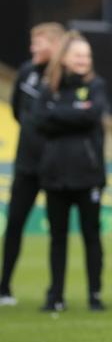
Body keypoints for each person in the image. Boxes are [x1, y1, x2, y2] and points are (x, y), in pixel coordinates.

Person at [35, 31, 108, 312]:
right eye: (78, 55)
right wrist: (75, 113)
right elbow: (39, 120)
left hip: (88, 175)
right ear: (64, 57)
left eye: (87, 56)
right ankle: (55, 296)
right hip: (55, 175)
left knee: (92, 237)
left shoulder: (96, 86)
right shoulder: (48, 88)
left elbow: (92, 115)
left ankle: (95, 294)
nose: (84, 60)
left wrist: (61, 114)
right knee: (58, 238)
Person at [0, 22, 65, 305]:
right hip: (26, 164)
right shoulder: (26, 72)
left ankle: (55, 293)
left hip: (55, 165)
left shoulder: (65, 76)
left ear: (53, 44)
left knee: (57, 230)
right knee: (14, 223)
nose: (32, 49)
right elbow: (17, 110)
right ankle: (4, 288)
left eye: (37, 43)